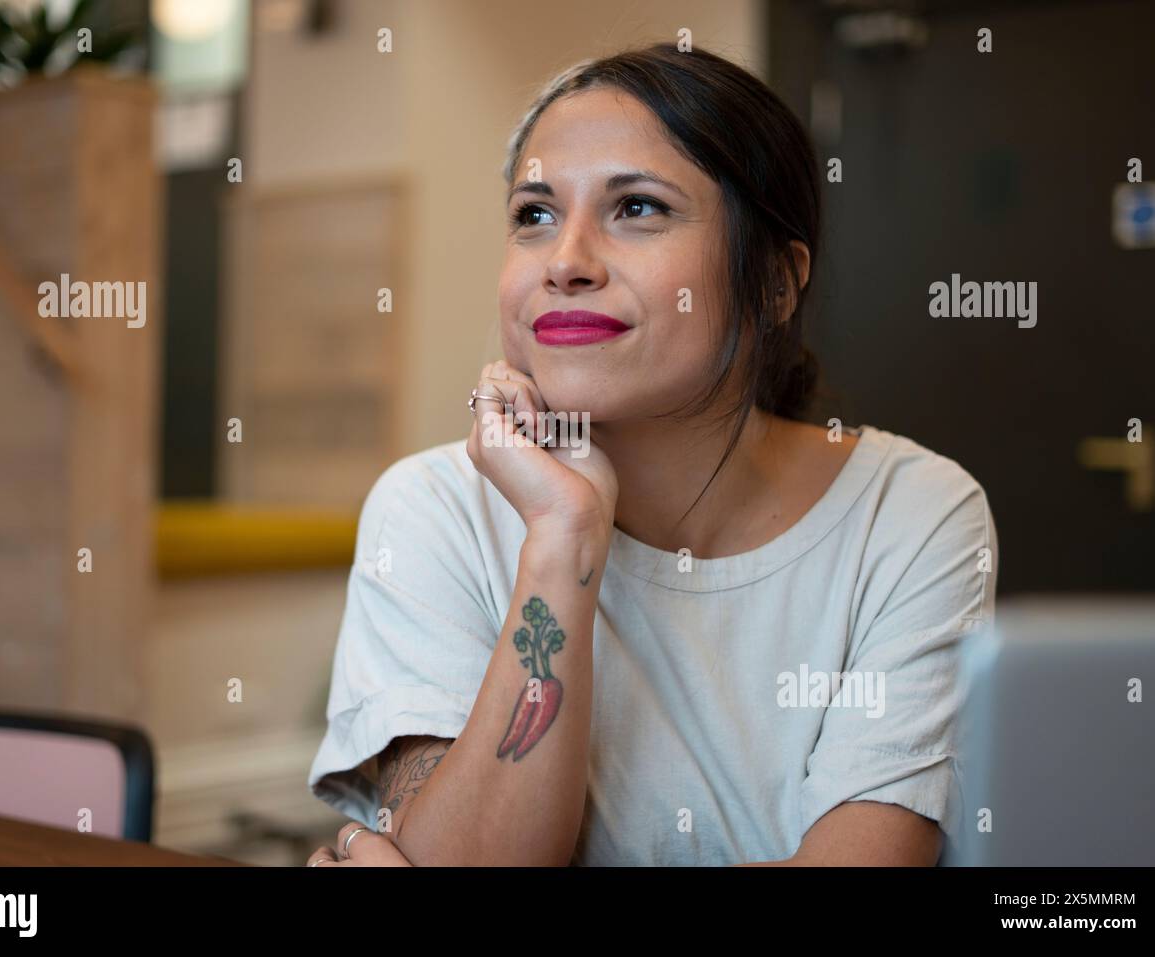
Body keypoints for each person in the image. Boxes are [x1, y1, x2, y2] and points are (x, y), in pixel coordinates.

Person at [305, 43, 997, 866]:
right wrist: (563, 537)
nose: (565, 261)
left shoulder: (911, 512)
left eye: (638, 208)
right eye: (535, 214)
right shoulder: (429, 508)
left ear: (775, 282)